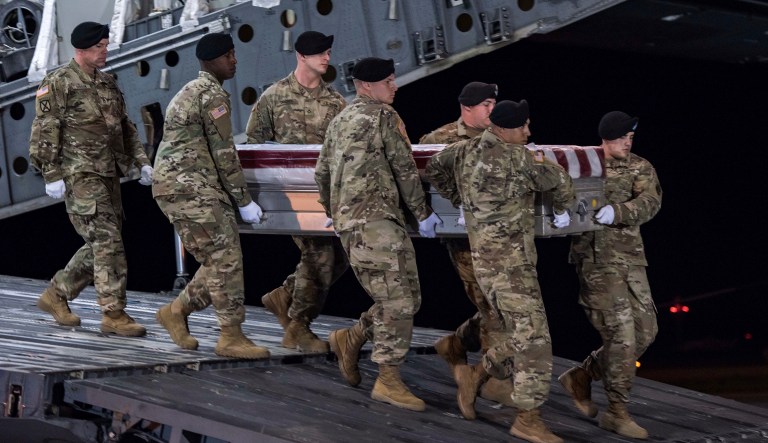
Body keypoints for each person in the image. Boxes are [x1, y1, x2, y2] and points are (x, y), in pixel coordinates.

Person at [315, 57, 443, 411]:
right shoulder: (383, 116)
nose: (395, 85)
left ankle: (350, 338)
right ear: (367, 86)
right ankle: (387, 380)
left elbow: (322, 172)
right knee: (398, 302)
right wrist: (423, 212)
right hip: (376, 222)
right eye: (389, 80)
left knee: (406, 299)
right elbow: (404, 168)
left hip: (354, 224)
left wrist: (333, 211)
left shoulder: (339, 120)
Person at [448, 100, 574, 443]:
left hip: (484, 265)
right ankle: (527, 419)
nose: (528, 133)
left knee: (522, 334)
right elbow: (558, 178)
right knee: (535, 339)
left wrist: (460, 201)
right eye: (523, 127)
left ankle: (475, 375)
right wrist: (563, 208)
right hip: (512, 266)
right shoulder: (519, 159)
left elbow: (436, 170)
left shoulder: (464, 151)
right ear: (504, 129)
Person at [29, 21, 152, 337]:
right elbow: (44, 129)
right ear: (82, 49)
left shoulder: (107, 83)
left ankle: (57, 293)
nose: (105, 52)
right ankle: (113, 313)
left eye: (106, 46)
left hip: (108, 173)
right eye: (100, 47)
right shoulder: (59, 83)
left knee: (101, 241)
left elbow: (125, 127)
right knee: (108, 240)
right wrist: (51, 173)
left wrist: (142, 162)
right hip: (79, 174)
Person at [152, 33, 269, 359]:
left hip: (179, 187)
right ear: (212, 61)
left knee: (219, 260)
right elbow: (224, 154)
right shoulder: (213, 96)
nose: (234, 60)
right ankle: (230, 336)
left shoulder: (189, 90)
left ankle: (175, 312)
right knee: (227, 258)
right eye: (229, 55)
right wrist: (244, 201)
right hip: (191, 188)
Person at [559, 111, 661, 439]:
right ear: (606, 137)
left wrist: (618, 211)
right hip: (596, 261)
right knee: (621, 337)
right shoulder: (584, 164)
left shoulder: (639, 166)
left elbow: (650, 201)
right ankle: (616, 411)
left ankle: (584, 375)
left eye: (631, 138)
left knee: (646, 332)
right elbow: (560, 196)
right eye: (621, 138)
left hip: (631, 260)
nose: (627, 143)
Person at [245, 31, 347, 353]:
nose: (326, 58)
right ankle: (298, 327)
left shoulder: (335, 102)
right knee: (321, 257)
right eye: (320, 53)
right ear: (302, 56)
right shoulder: (274, 97)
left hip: (327, 195)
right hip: (290, 197)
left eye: (328, 52)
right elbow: (254, 146)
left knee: (341, 258)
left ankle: (286, 294)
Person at [422, 81, 515, 406]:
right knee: (493, 304)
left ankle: (457, 345)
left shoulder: (503, 135)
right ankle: (495, 380)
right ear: (467, 107)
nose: (493, 110)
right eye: (487, 104)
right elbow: (420, 176)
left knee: (502, 302)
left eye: (494, 103)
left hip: (501, 235)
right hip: (465, 240)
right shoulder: (441, 139)